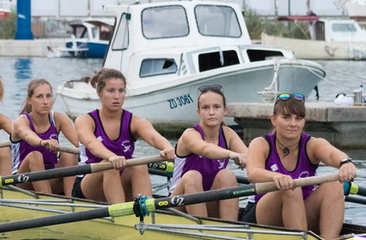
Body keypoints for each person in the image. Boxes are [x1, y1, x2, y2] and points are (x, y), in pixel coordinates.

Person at [245, 93, 357, 240]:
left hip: (302, 211)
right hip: (265, 214)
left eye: (298, 118)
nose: (293, 124)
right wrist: (276, 177)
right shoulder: (261, 144)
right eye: (286, 118)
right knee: (291, 187)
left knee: (334, 185)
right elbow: (253, 173)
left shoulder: (312, 144)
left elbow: (332, 154)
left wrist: (345, 163)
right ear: (274, 120)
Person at [73, 68, 175, 204]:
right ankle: (121, 216)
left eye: (121, 91)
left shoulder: (135, 122)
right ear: (99, 93)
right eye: (111, 91)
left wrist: (167, 147)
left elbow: (154, 137)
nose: (117, 96)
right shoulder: (85, 120)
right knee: (109, 166)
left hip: (118, 180)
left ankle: (146, 211)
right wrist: (111, 157)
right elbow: (92, 144)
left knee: (139, 165)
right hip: (88, 185)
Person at [169, 85, 249, 221]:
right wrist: (232, 154)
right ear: (198, 112)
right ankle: (202, 231)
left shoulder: (228, 134)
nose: (211, 112)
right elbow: (205, 149)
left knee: (227, 175)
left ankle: (230, 228)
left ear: (225, 110)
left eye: (217, 107)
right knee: (192, 176)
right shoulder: (190, 135)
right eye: (206, 108)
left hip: (209, 201)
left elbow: (251, 157)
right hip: (179, 204)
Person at [12, 78, 79, 195]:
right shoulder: (21, 121)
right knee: (35, 156)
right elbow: (27, 135)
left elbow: (80, 144)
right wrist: (43, 142)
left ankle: (71, 202)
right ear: (29, 101)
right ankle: (47, 200)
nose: (45, 101)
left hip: (48, 177)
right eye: (39, 97)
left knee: (70, 155)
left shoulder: (58, 119)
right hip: (23, 181)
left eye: (48, 96)